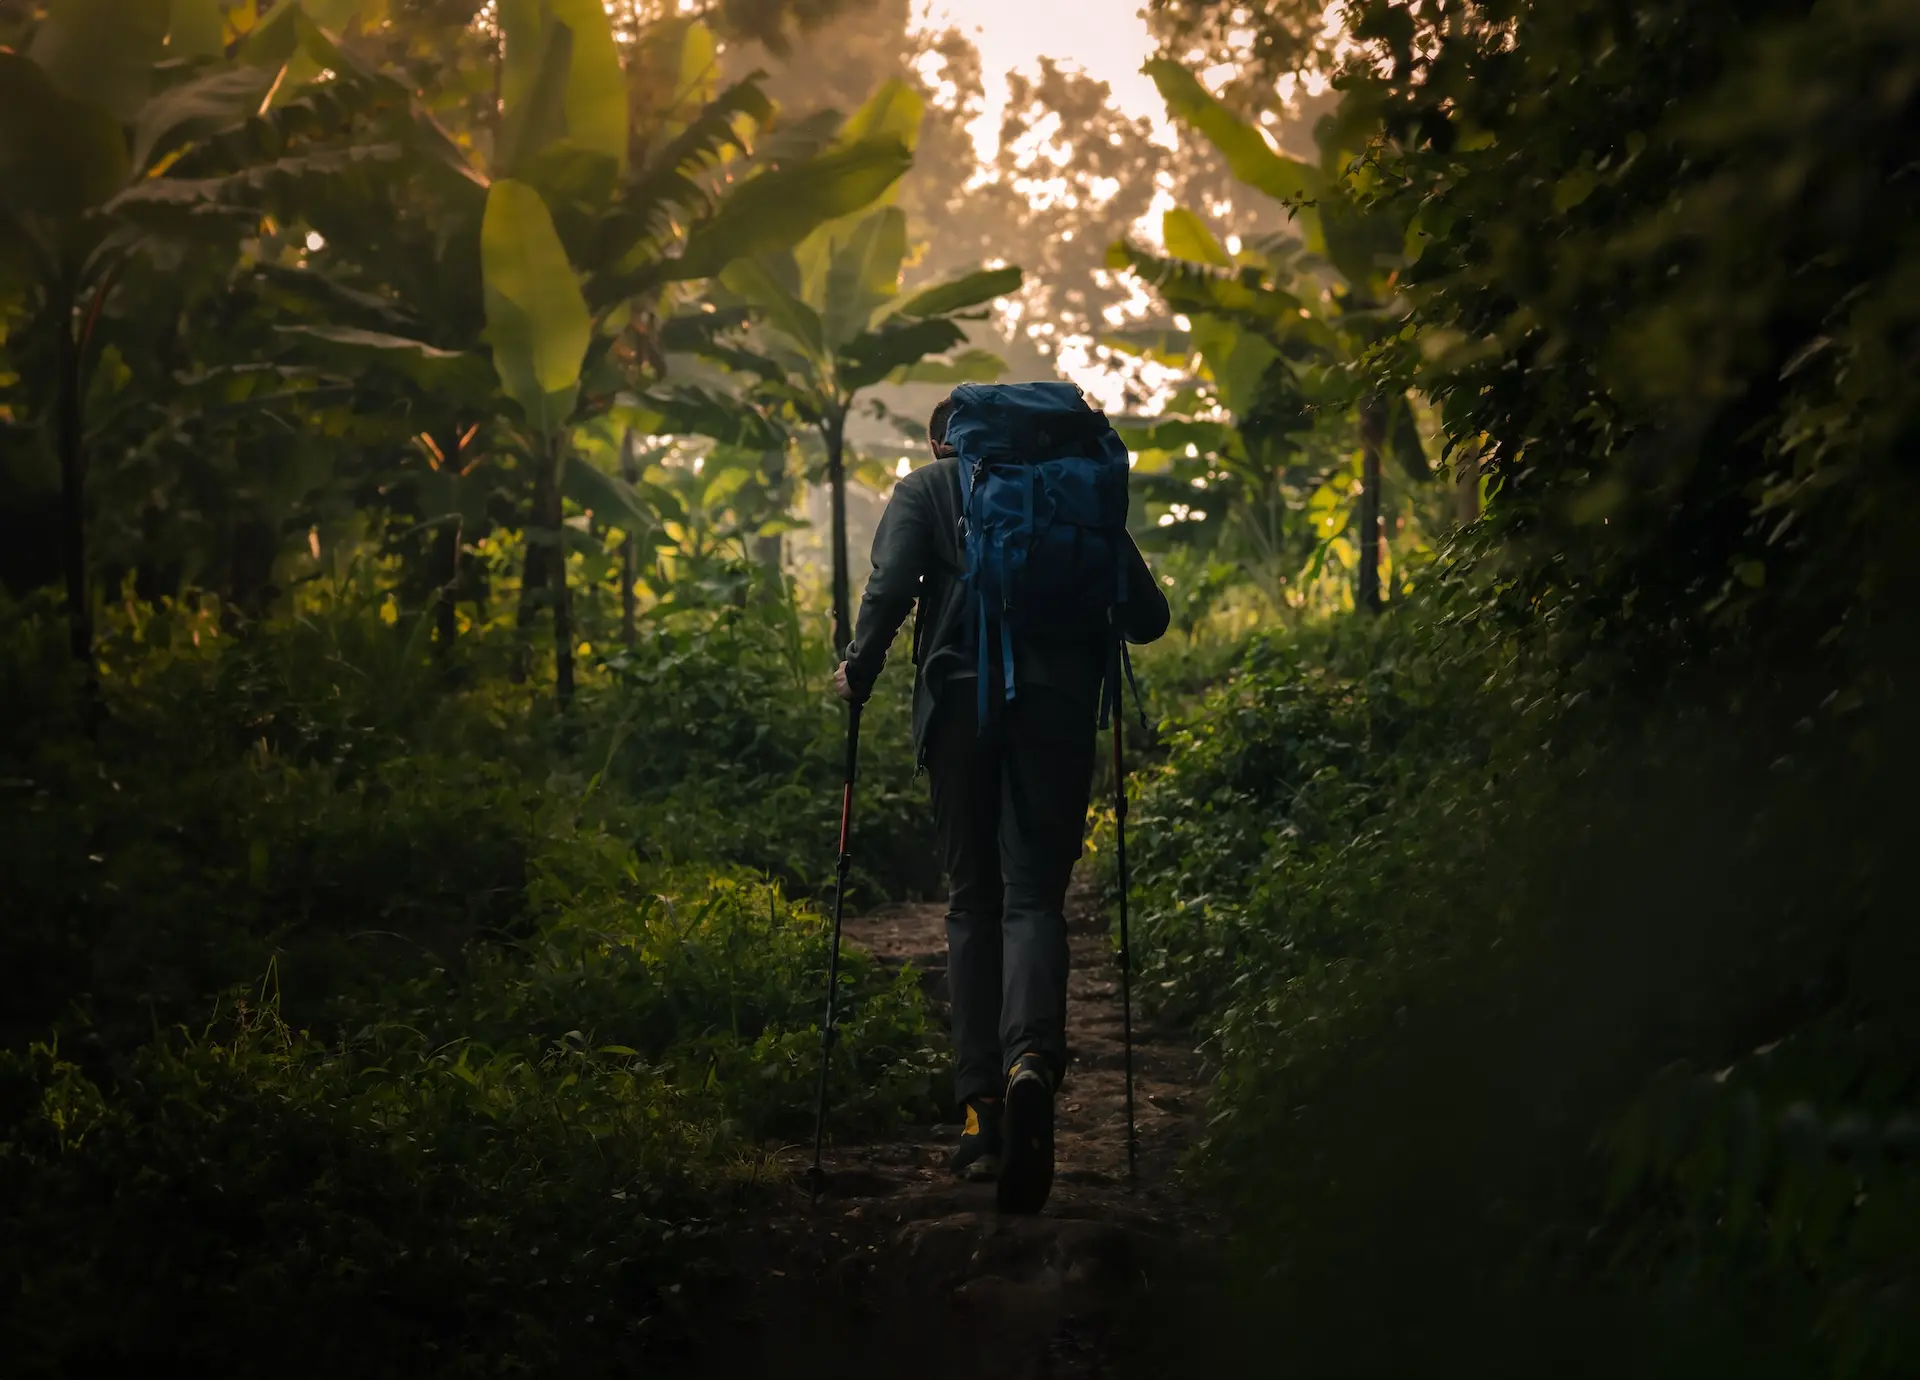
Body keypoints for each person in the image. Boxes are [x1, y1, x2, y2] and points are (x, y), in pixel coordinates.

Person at [831, 390, 1170, 1212]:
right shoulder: (1070, 490)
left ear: (946, 438)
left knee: (971, 901)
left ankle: (981, 1112)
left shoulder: (925, 490)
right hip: (1056, 713)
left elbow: (888, 589)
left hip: (957, 707)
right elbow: (1147, 617)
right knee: (1035, 899)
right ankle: (1032, 1066)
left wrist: (858, 671)